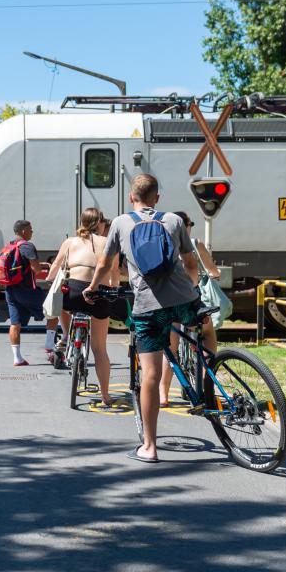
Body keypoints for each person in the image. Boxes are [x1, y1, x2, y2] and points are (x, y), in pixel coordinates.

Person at [86, 173, 200, 463]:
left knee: (150, 374)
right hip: (184, 298)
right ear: (157, 198)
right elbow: (190, 262)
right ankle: (210, 368)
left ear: (130, 197)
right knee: (203, 327)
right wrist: (192, 289)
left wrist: (93, 287)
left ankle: (150, 447)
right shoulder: (174, 220)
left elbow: (104, 263)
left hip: (148, 305)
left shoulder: (122, 223)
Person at [48, 207, 119, 406]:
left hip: (74, 291)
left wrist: (48, 280)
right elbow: (114, 273)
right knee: (99, 349)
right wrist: (114, 288)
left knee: (62, 304)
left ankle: (65, 335)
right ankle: (105, 395)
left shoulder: (70, 242)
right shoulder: (108, 243)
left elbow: (55, 267)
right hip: (99, 293)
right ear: (100, 223)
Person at [158, 211, 223, 407]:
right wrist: (214, 275)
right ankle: (207, 382)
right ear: (186, 226)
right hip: (192, 301)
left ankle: (164, 393)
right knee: (208, 333)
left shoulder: (163, 244)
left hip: (169, 301)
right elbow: (212, 271)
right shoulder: (195, 244)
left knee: (170, 348)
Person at [3, 220, 59, 366]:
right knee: (54, 311)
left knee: (15, 324)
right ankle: (49, 346)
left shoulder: (9, 246)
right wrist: (45, 268)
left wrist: (43, 264)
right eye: (30, 229)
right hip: (27, 291)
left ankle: (17, 358)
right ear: (23, 231)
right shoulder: (27, 246)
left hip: (11, 291)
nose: (32, 231)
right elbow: (36, 270)